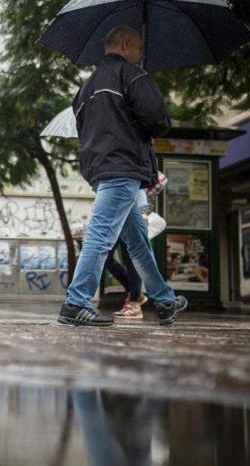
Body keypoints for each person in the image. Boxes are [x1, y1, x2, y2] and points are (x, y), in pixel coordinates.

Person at [58, 25, 187, 327]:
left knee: (137, 242)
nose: (140, 55)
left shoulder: (86, 88)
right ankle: (76, 302)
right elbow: (158, 121)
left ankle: (164, 300)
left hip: (101, 168)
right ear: (126, 45)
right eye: (139, 49)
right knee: (101, 235)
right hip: (124, 166)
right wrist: (146, 90)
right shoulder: (132, 76)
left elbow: (84, 129)